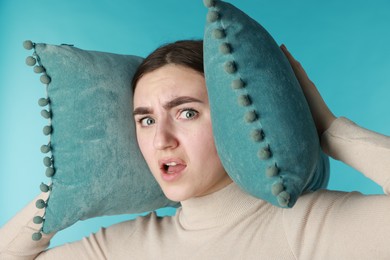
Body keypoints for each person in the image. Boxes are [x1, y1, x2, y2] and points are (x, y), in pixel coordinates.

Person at [1, 40, 389, 259]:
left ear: (233, 122)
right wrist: (65, 190)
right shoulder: (124, 247)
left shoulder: (312, 227)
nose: (161, 140)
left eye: (186, 112)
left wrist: (333, 131)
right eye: (146, 120)